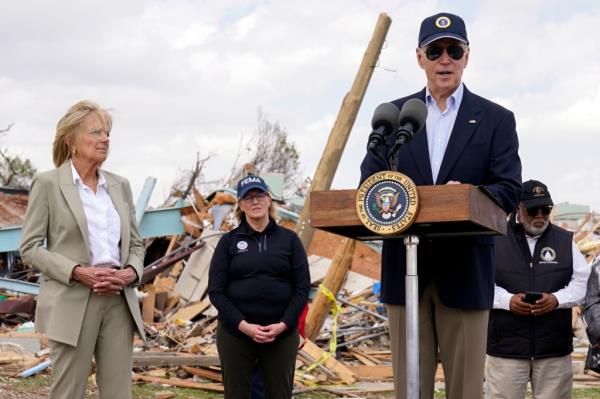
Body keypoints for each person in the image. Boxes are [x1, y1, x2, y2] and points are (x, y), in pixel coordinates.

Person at [359, 12, 522, 399]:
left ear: (467, 56)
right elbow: (370, 185)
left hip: (465, 272)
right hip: (404, 272)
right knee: (410, 390)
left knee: (465, 391)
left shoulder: (496, 119)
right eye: (435, 50)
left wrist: (466, 196)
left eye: (454, 50)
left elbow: (508, 189)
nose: (444, 59)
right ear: (420, 58)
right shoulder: (392, 117)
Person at [20, 100, 145, 399]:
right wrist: (76, 272)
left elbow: (137, 245)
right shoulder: (48, 183)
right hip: (72, 300)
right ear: (70, 139)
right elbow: (30, 248)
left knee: (118, 394)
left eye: (107, 133)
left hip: (118, 301)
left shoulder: (120, 185)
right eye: (96, 132)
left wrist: (130, 273)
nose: (105, 139)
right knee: (68, 393)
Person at [208, 175, 310, 399]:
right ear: (241, 205)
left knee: (279, 394)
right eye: (248, 197)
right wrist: (244, 326)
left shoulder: (290, 240)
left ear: (269, 199)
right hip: (236, 334)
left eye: (259, 195)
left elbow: (302, 289)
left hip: (281, 336)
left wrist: (283, 324)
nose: (255, 201)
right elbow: (216, 291)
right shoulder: (229, 242)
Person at [486, 180, 590, 399]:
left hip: (553, 348)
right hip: (506, 348)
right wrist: (507, 301)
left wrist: (556, 299)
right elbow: (481, 281)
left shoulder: (564, 240)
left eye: (546, 209)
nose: (540, 215)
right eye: (533, 210)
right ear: (518, 208)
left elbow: (583, 282)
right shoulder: (495, 238)